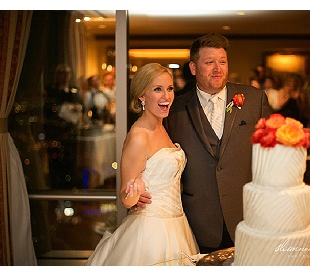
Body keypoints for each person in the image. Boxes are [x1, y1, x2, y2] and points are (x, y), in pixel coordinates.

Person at [158, 33, 272, 254]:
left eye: (222, 62)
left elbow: (269, 155)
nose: (218, 69)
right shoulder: (175, 109)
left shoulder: (254, 99)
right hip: (196, 220)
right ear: (193, 68)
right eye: (209, 63)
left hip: (246, 218)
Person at [85, 63, 198, 266]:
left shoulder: (164, 128)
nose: (167, 96)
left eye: (170, 88)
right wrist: (134, 194)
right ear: (142, 96)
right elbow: (125, 197)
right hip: (150, 231)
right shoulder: (139, 136)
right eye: (157, 89)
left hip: (178, 224)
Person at [44, 64, 82, 189]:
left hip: (71, 133)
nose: (65, 76)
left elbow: (80, 108)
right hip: (55, 134)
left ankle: (70, 188)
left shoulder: (74, 91)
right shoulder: (51, 90)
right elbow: (49, 111)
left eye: (68, 73)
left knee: (70, 163)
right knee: (56, 164)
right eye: (62, 73)